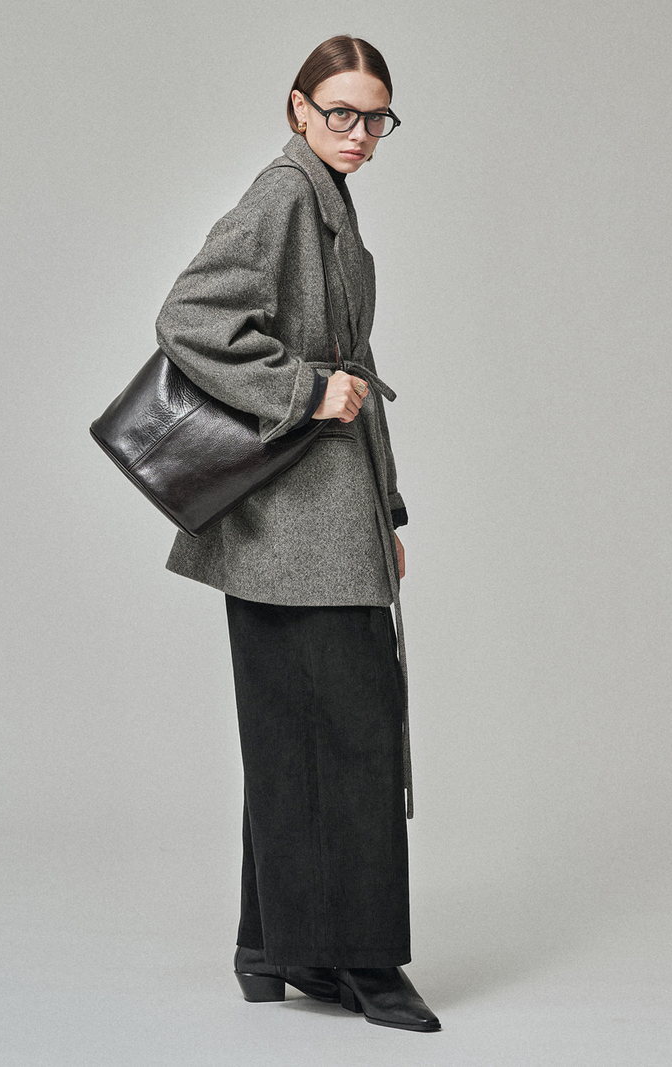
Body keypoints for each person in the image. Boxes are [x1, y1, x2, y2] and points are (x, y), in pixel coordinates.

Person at [155, 35, 439, 1033]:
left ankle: (270, 946)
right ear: (297, 108)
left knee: (293, 738)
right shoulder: (283, 195)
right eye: (340, 113)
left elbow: (357, 364)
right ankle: (364, 963)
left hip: (315, 516)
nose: (358, 133)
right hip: (292, 522)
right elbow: (189, 317)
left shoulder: (326, 196)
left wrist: (383, 512)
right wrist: (306, 390)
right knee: (351, 737)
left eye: (375, 117)